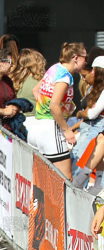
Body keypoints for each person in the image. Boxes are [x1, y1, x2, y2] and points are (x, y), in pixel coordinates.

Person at [27, 42, 87, 180]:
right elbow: (54, 105)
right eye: (85, 57)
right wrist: (67, 131)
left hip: (37, 127)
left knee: (44, 179)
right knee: (65, 179)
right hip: (50, 129)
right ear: (75, 57)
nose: (86, 62)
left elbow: (36, 91)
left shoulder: (54, 68)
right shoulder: (64, 76)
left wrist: (45, 105)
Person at [72, 56, 104, 189]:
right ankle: (97, 187)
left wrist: (80, 113)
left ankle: (78, 182)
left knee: (84, 157)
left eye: (93, 71)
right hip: (94, 126)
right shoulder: (95, 89)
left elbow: (92, 113)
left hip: (97, 126)